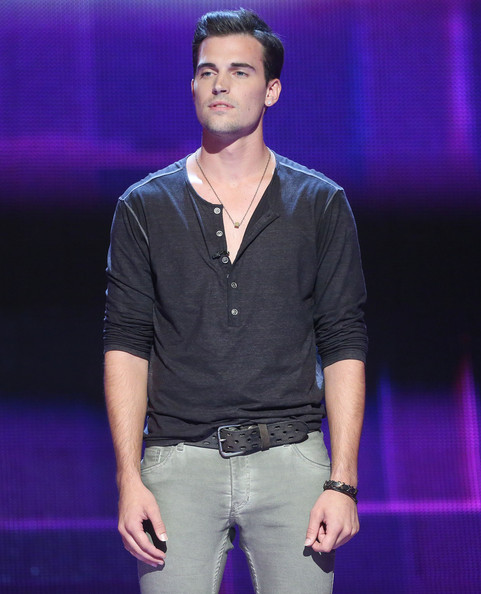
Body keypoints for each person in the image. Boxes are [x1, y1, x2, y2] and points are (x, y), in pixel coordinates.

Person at [103, 8, 367, 594]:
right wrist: (128, 479)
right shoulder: (144, 207)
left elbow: (343, 341)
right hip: (176, 466)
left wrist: (342, 482)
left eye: (240, 71)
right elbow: (126, 343)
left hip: (293, 463)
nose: (220, 84)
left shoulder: (319, 204)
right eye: (207, 71)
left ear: (272, 90)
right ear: (193, 85)